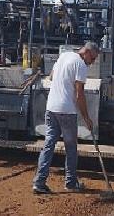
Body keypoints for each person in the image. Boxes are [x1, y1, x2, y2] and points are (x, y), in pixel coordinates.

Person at [33, 41, 99, 194]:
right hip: (66, 111)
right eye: (93, 58)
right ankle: (70, 182)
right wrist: (87, 118)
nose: (92, 62)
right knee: (71, 147)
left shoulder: (64, 56)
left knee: (49, 144)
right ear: (87, 52)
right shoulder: (80, 65)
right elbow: (79, 94)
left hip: (51, 107)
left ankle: (39, 181)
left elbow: (51, 77)